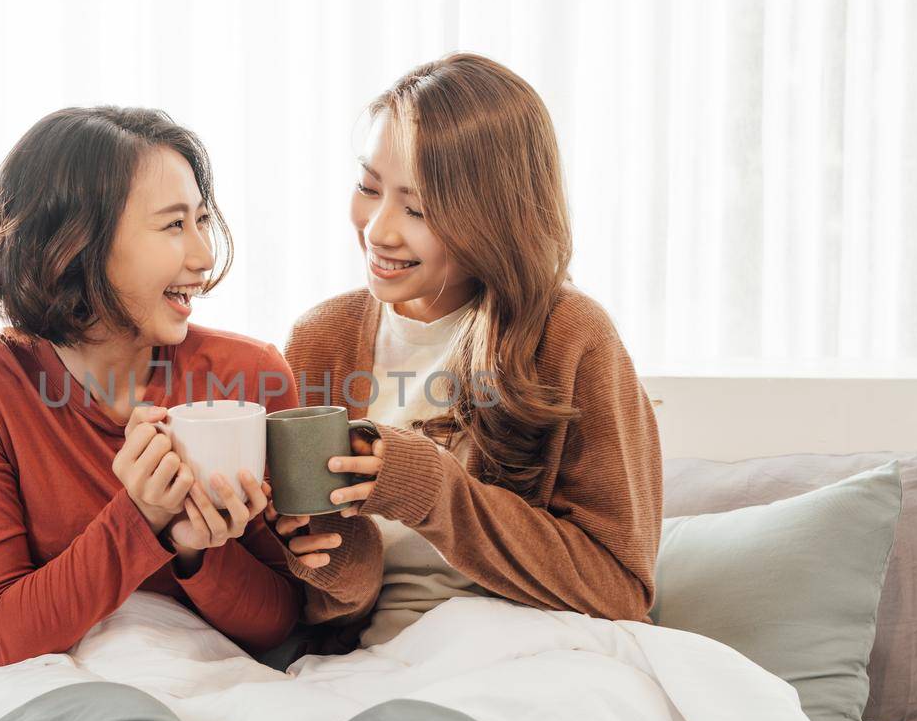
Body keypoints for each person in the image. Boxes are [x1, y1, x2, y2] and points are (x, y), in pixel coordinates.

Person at [268, 53, 663, 651]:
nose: (377, 229)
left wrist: (428, 488)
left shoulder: (570, 335)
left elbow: (620, 592)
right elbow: (314, 606)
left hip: (533, 655)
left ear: (496, 218)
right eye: (368, 187)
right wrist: (326, 558)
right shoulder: (320, 339)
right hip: (362, 667)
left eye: (418, 208)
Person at [0, 106, 302, 667]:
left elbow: (279, 624)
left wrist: (193, 548)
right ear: (74, 243)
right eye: (174, 225)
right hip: (52, 691)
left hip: (212, 687)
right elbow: (4, 638)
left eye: (201, 220)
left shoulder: (249, 376)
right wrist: (142, 517)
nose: (205, 256)